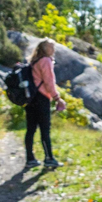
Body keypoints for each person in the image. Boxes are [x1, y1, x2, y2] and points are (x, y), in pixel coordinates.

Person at [25, 38, 66, 168]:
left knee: (31, 129)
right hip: (42, 98)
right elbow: (49, 82)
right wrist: (57, 98)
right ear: (44, 48)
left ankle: (30, 159)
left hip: (31, 98)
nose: (53, 50)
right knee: (45, 129)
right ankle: (49, 158)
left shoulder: (34, 61)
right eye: (51, 47)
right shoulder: (46, 61)